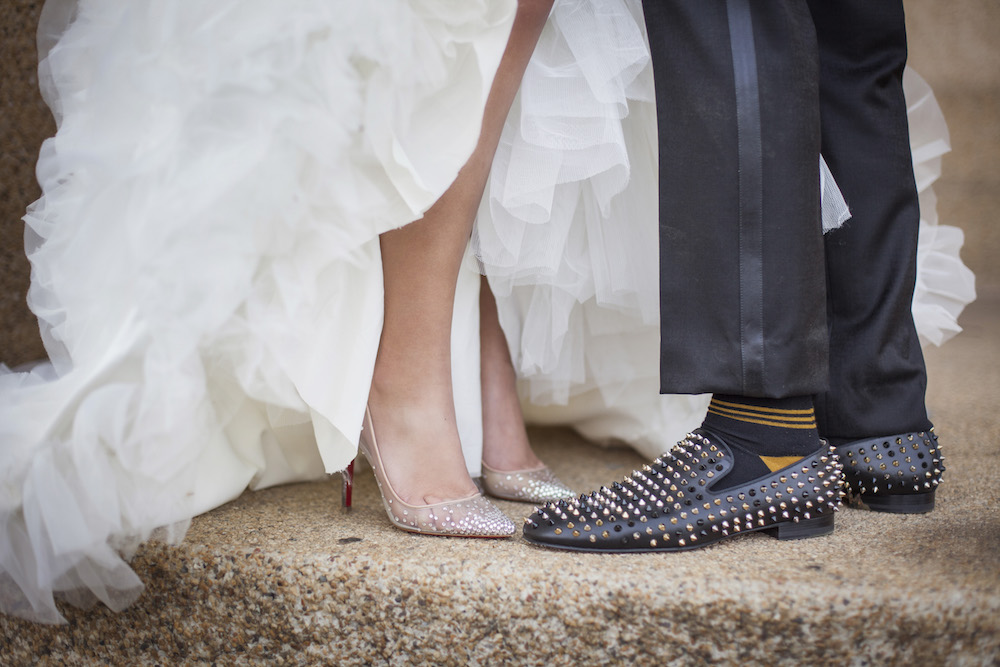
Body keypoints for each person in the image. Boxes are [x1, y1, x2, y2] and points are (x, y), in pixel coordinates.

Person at [523, 0, 973, 551]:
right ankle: (876, 414)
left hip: (767, 427)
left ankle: (762, 429)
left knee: (733, 18)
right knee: (846, 35)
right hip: (883, 410)